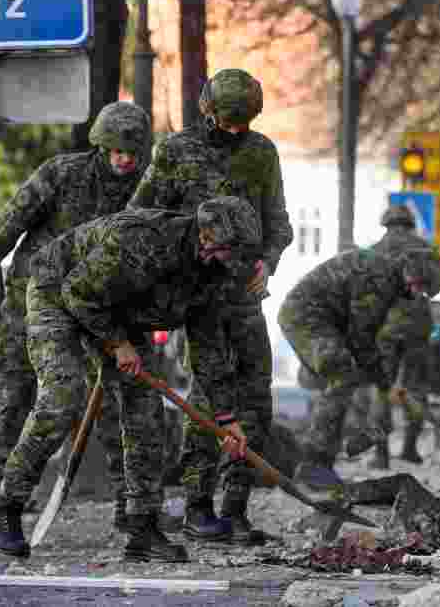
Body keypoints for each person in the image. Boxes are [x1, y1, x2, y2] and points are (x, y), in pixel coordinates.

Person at [0, 197, 262, 562]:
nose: (237, 261)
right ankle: (6, 509)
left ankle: (141, 529)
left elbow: (208, 349)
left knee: (147, 415)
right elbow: (78, 293)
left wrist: (226, 420)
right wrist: (116, 344)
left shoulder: (213, 274)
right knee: (63, 397)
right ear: (208, 237)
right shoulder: (145, 240)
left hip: (123, 316)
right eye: (232, 250)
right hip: (59, 292)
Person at [0, 102, 152, 530]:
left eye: (133, 153)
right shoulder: (62, 173)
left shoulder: (146, 190)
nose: (125, 160)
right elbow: (11, 222)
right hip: (32, 299)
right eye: (117, 151)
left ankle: (132, 510)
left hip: (101, 308)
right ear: (101, 145)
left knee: (122, 404)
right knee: (14, 399)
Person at [127, 68, 293, 545]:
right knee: (207, 395)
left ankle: (235, 506)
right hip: (195, 294)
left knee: (256, 397)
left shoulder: (262, 153)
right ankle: (197, 506)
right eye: (228, 120)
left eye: (244, 121)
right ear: (208, 109)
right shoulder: (176, 152)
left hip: (243, 294)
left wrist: (269, 260)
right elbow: (141, 216)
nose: (236, 130)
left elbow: (278, 221)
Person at [278, 244, 440, 487]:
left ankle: (319, 461)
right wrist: (384, 382)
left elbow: (362, 341)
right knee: (342, 376)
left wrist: (383, 381)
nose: (419, 296)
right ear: (413, 275)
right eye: (421, 289)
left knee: (344, 377)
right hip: (306, 316)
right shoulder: (378, 280)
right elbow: (362, 340)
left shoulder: (387, 276)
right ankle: (314, 463)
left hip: (321, 319)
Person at [356, 205, 440, 468]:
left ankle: (381, 455)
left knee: (381, 389)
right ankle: (410, 449)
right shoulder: (425, 249)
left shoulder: (373, 251)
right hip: (417, 330)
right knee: (416, 388)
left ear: (385, 224)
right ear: (410, 223)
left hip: (384, 329)